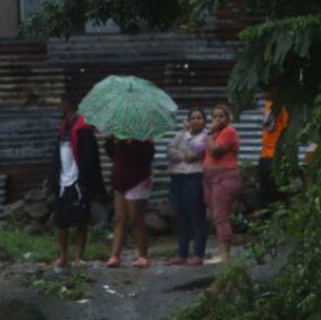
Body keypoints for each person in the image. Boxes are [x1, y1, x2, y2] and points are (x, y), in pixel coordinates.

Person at [51, 94, 105, 268]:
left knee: (80, 221)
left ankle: (79, 257)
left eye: (60, 102)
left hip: (78, 181)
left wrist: (88, 183)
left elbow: (90, 158)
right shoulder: (63, 128)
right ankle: (63, 256)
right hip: (62, 181)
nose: (58, 106)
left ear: (67, 104)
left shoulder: (83, 128)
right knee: (61, 222)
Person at [105, 135, 155, 268]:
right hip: (120, 180)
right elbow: (113, 155)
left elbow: (147, 158)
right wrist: (109, 140)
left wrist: (138, 143)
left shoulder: (144, 138)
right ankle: (115, 255)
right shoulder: (120, 138)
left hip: (137, 181)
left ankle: (143, 256)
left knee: (136, 219)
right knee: (119, 218)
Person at [166, 108, 208, 265]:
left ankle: (198, 254)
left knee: (197, 216)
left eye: (199, 118)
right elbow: (170, 151)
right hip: (177, 177)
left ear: (204, 121)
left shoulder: (206, 137)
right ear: (188, 121)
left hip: (195, 176)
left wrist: (188, 155)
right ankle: (182, 254)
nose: (196, 121)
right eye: (193, 118)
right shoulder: (181, 135)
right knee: (181, 217)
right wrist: (183, 156)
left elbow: (198, 153)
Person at [203, 103, 241, 264]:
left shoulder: (228, 131)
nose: (218, 119)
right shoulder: (217, 133)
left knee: (221, 216)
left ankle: (225, 256)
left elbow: (215, 151)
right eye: (215, 116)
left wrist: (210, 134)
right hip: (210, 178)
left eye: (221, 116)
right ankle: (221, 252)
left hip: (224, 177)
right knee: (216, 216)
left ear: (228, 118)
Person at [259, 89, 288, 209]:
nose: (263, 93)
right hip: (266, 155)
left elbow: (283, 127)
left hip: (274, 157)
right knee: (267, 195)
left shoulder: (280, 106)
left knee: (272, 195)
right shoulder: (268, 105)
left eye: (267, 89)